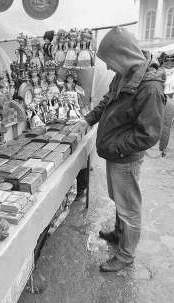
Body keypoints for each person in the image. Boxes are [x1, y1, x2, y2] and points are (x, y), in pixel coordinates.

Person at [77, 27, 166, 272]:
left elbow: (148, 135)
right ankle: (119, 234)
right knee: (120, 199)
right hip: (116, 152)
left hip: (125, 155)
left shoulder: (149, 88)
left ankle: (126, 256)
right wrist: (89, 119)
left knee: (129, 208)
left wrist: (114, 146)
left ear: (122, 56)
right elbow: (108, 100)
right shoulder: (127, 74)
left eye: (110, 61)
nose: (108, 68)